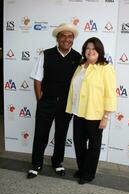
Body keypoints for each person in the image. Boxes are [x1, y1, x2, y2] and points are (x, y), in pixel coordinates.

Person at [27, 23, 81, 179]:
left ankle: (57, 163)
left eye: (70, 36)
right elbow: (37, 79)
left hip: (66, 104)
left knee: (61, 135)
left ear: (73, 40)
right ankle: (36, 164)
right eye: (63, 36)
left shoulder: (78, 57)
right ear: (58, 38)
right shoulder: (46, 54)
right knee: (40, 135)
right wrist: (40, 100)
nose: (66, 39)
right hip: (47, 102)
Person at [66, 37, 116, 184]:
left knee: (93, 146)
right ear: (84, 51)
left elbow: (110, 94)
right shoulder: (81, 67)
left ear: (99, 51)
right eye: (88, 48)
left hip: (95, 114)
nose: (90, 51)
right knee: (79, 144)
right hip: (78, 112)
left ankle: (88, 174)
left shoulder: (106, 68)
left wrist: (106, 116)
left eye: (94, 49)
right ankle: (82, 169)